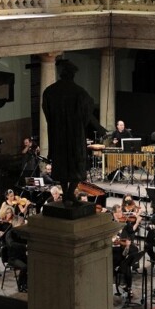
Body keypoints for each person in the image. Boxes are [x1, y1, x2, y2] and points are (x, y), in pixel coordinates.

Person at [42, 59, 105, 203]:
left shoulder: (49, 91)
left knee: (62, 165)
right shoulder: (79, 92)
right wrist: (97, 128)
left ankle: (67, 193)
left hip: (58, 135)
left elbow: (47, 113)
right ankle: (70, 193)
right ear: (71, 75)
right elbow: (88, 111)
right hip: (74, 136)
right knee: (78, 166)